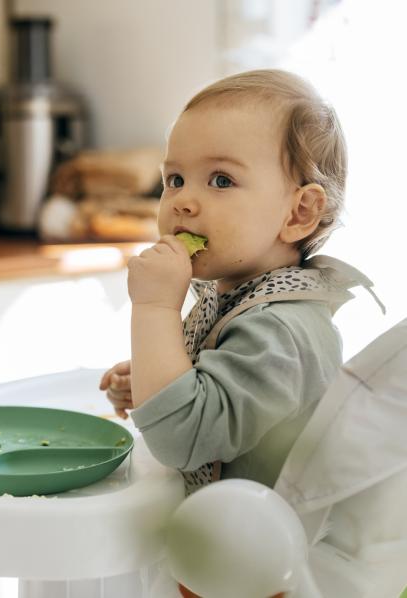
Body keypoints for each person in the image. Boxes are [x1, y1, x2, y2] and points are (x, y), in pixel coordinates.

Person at [99, 68, 384, 503]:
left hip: (265, 561)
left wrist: (155, 308)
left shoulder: (281, 331)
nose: (182, 201)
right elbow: (225, 400)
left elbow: (181, 439)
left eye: (221, 181)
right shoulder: (243, 299)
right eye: (174, 179)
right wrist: (158, 379)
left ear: (299, 213)